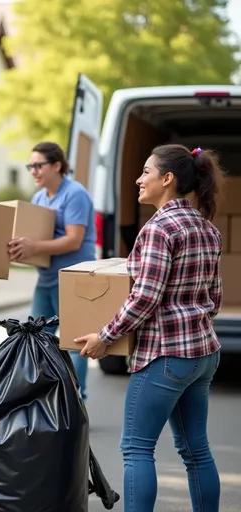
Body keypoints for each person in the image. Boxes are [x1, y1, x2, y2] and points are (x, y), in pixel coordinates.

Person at [75, 144, 224, 512]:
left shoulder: (159, 228)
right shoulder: (207, 228)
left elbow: (145, 298)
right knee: (196, 451)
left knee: (137, 448)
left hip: (166, 356)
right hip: (203, 353)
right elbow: (215, 297)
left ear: (167, 179)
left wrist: (103, 337)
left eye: (145, 172)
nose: (139, 180)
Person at [8, 141, 96, 402]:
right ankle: (46, 398)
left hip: (73, 279)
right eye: (30, 166)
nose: (33, 171)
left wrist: (33, 245)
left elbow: (73, 240)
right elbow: (36, 237)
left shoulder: (74, 194)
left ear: (57, 165)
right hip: (47, 278)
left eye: (38, 165)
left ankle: (76, 400)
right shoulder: (39, 197)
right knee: (36, 338)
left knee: (73, 340)